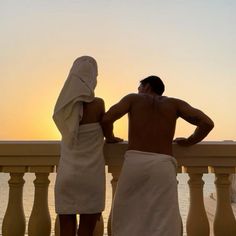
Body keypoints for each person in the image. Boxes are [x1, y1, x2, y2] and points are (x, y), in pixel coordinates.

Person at [102, 75, 214, 236]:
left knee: (126, 216)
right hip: (163, 165)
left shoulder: (133, 99)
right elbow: (207, 123)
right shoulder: (174, 104)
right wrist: (190, 141)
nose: (138, 90)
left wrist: (111, 138)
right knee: (163, 219)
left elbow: (107, 119)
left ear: (146, 86)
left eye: (139, 86)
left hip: (135, 162)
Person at [53, 56, 109, 236]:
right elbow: (107, 129)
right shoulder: (98, 103)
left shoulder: (63, 107)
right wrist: (113, 137)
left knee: (66, 232)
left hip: (67, 176)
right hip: (90, 177)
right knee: (86, 232)